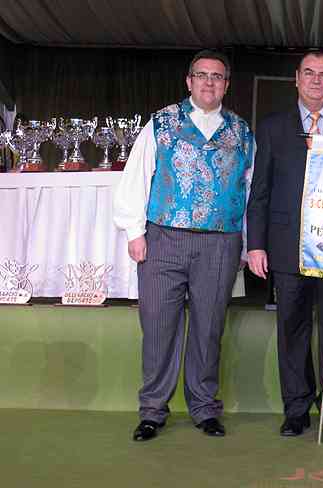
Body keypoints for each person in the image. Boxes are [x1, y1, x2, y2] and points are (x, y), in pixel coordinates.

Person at [113, 50, 254, 442]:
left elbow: (249, 190)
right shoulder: (161, 122)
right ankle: (152, 411)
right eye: (202, 75)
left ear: (226, 84)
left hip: (220, 243)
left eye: (217, 76)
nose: (209, 82)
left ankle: (205, 408)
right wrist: (134, 232)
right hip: (164, 238)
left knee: (208, 329)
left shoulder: (242, 132)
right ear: (189, 81)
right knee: (158, 326)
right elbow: (137, 176)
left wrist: (246, 244)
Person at [246, 52, 323, 437]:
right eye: (309, 73)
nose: (315, 80)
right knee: (291, 328)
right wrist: (256, 244)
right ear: (296, 78)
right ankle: (296, 408)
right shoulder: (273, 127)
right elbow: (259, 190)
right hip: (285, 243)